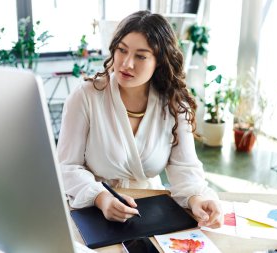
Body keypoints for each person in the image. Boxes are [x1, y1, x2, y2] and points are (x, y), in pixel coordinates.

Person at [57, 10, 222, 228]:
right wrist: (100, 197)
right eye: (121, 50)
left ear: (160, 61)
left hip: (149, 211)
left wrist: (197, 199)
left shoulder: (173, 103)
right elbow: (67, 166)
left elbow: (185, 168)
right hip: (93, 211)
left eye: (141, 56)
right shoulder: (86, 97)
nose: (126, 64)